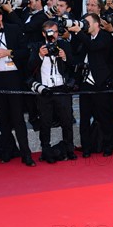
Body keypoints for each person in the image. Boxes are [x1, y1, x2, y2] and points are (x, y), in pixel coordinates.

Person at [0, 7, 36, 167]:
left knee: (18, 118)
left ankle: (26, 154)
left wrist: (8, 52)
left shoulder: (14, 29)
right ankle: (6, 152)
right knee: (3, 118)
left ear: (0, 17)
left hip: (14, 77)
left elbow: (25, 52)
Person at [27, 20, 77, 163]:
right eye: (50, 32)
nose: (53, 35)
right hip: (45, 90)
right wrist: (40, 56)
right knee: (45, 121)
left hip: (62, 88)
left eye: (55, 32)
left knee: (67, 120)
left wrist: (65, 57)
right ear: (43, 33)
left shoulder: (64, 45)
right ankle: (46, 150)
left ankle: (69, 149)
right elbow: (29, 68)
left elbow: (73, 66)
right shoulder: (37, 46)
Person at [69, 13, 113, 157]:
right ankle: (86, 148)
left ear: (96, 24)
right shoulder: (84, 37)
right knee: (84, 118)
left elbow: (94, 47)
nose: (85, 25)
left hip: (101, 84)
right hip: (85, 83)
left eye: (88, 22)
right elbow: (76, 51)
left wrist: (78, 33)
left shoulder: (105, 37)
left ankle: (108, 145)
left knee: (104, 117)